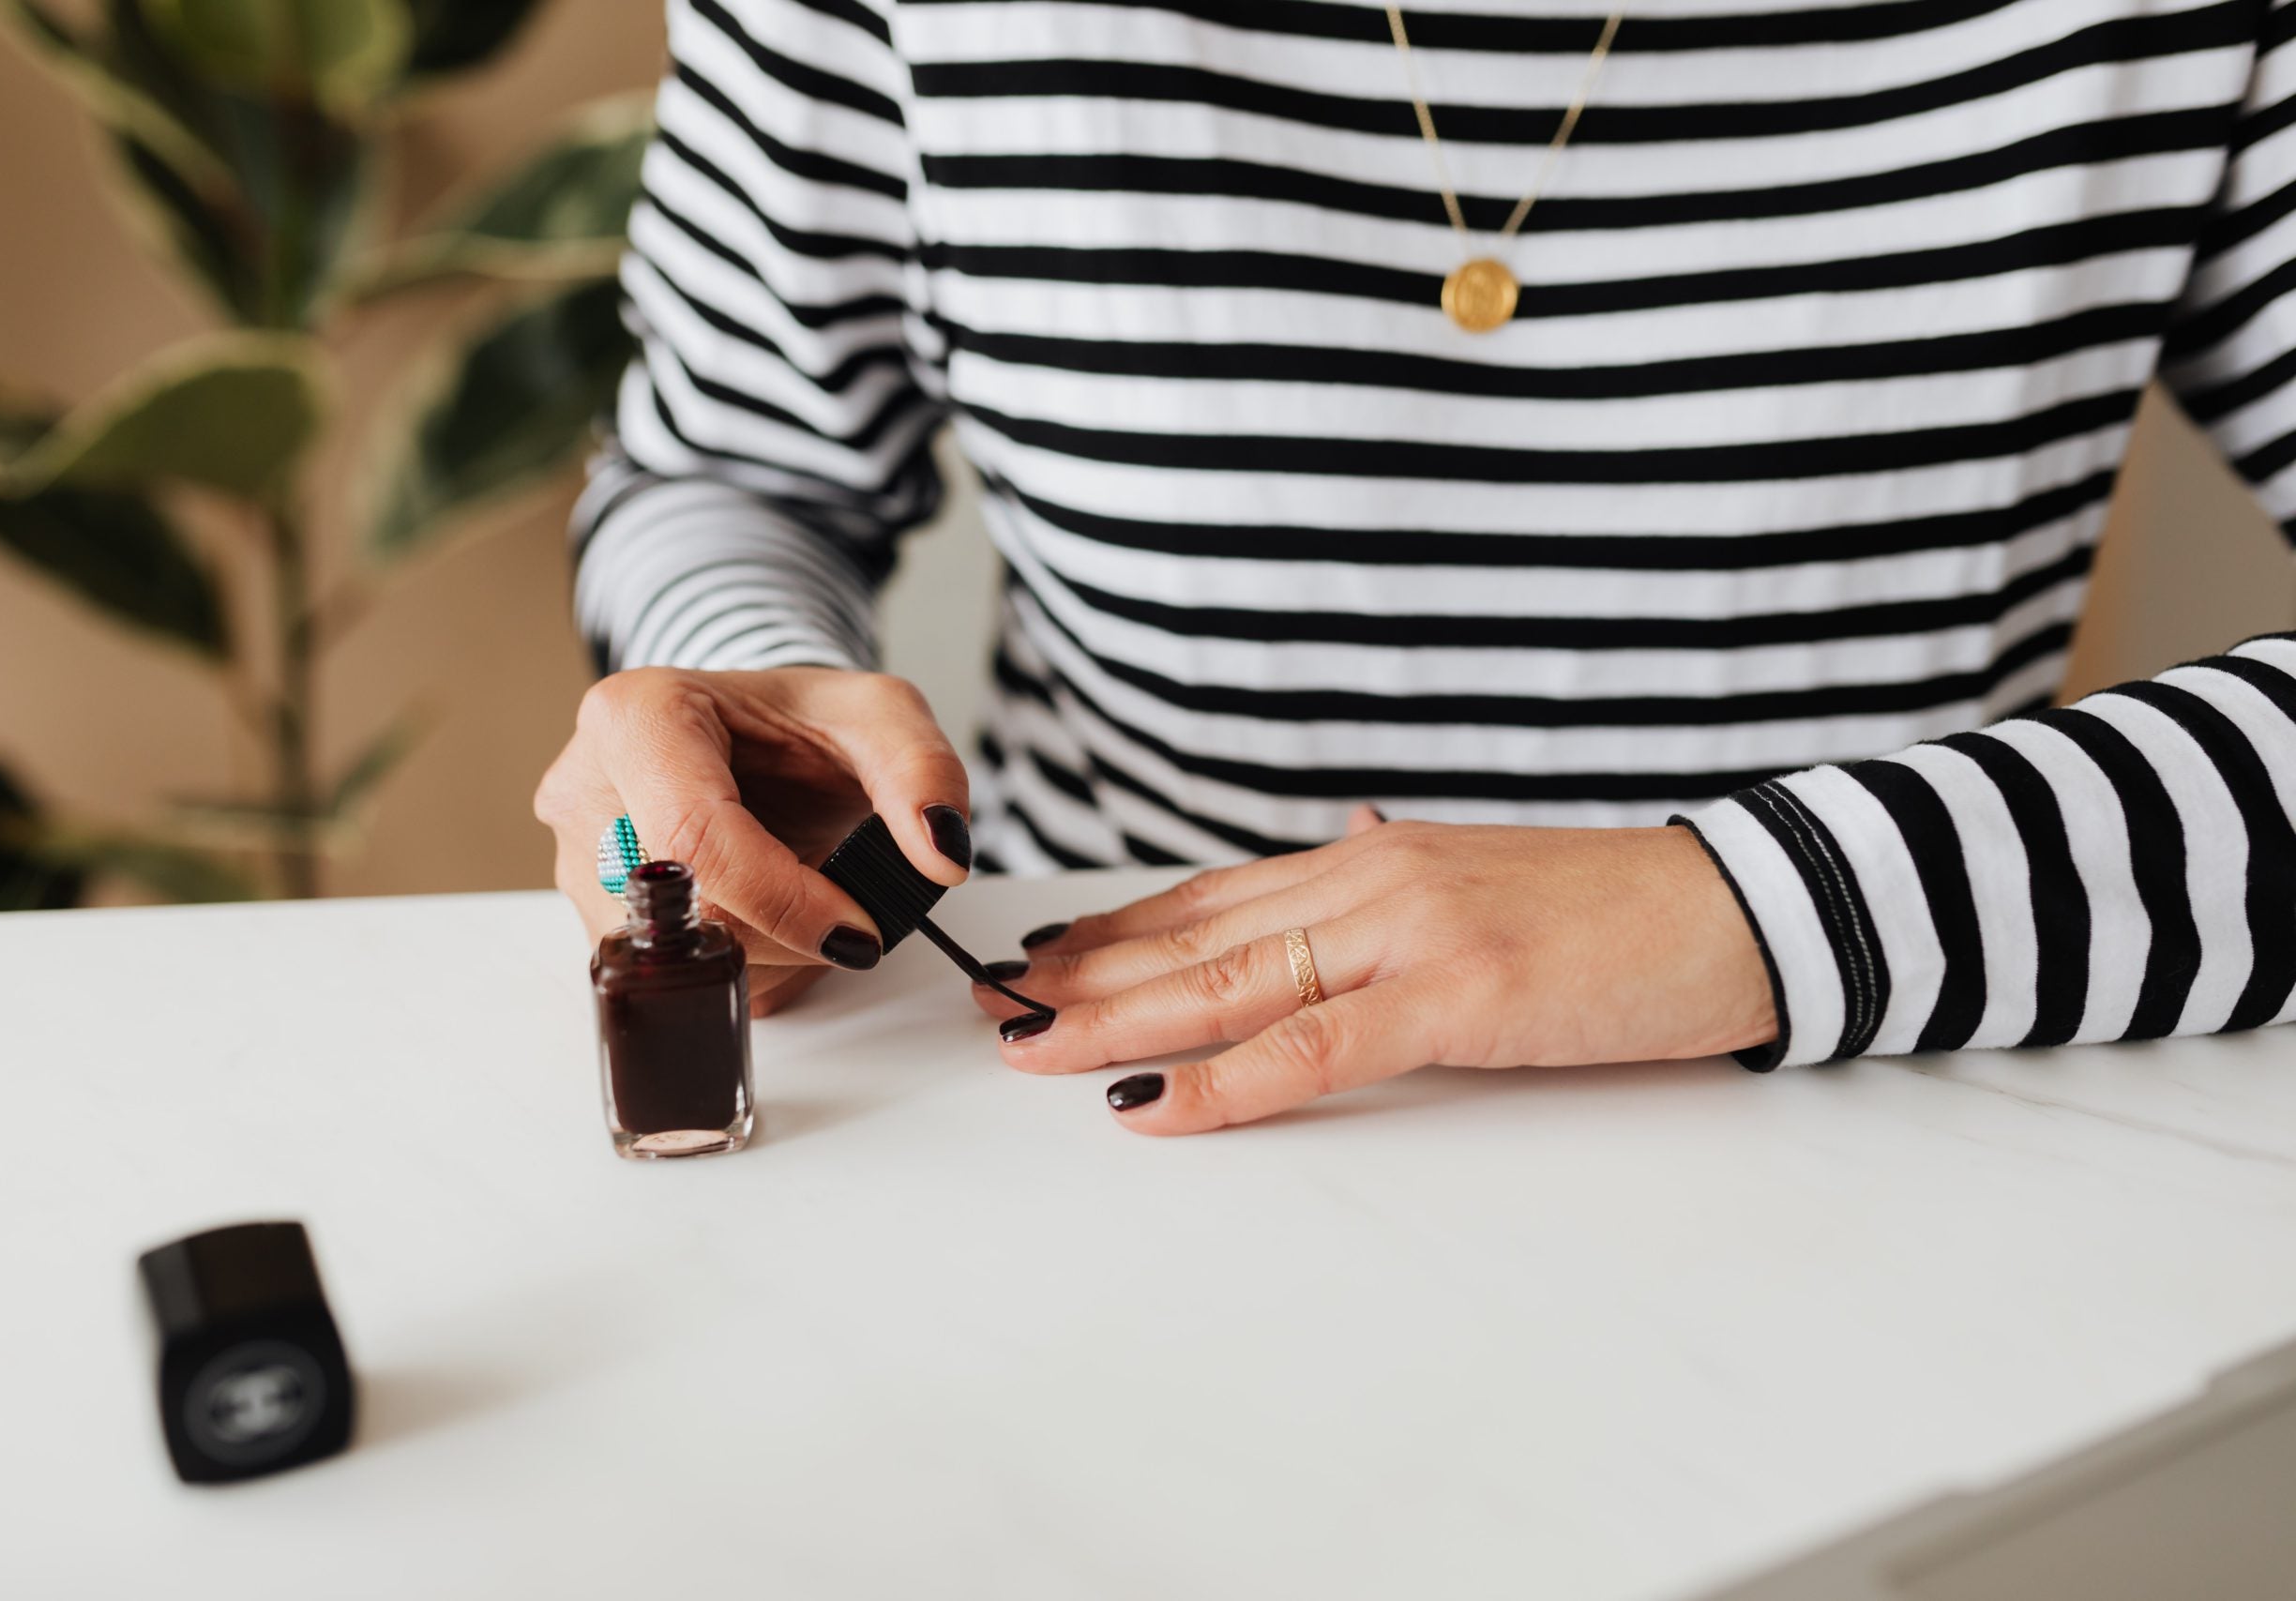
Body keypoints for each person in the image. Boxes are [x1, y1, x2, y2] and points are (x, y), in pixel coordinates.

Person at [536, 0, 2296, 1135]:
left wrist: (1756, 905)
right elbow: (730, 470)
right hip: (1072, 1074)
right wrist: (739, 692)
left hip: (1921, 1076)